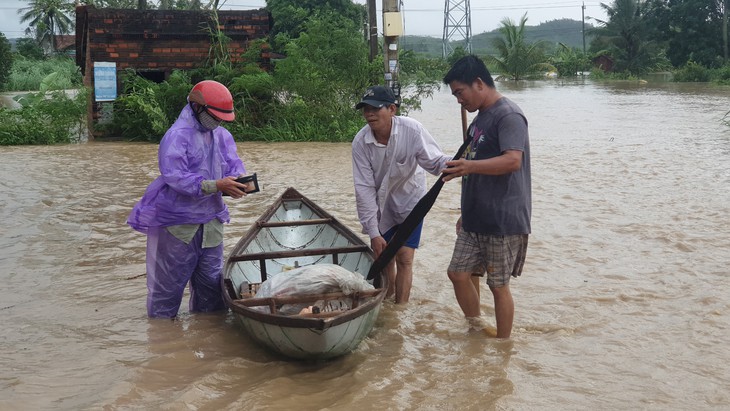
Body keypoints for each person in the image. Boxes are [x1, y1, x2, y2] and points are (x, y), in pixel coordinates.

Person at [127, 80, 255, 318]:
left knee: (212, 288)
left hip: (211, 222)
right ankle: (163, 340)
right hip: (178, 224)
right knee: (167, 290)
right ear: (197, 107)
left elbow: (234, 164)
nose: (217, 122)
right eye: (214, 116)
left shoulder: (222, 135)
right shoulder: (176, 136)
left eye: (221, 118)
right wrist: (216, 185)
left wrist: (238, 182)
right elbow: (176, 177)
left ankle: (208, 339)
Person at [441, 55, 531, 338]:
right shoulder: (478, 121)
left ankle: (504, 346)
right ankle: (476, 329)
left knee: (498, 286)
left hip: (503, 219)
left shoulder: (509, 116)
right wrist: (464, 212)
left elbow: (512, 161)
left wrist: (468, 165)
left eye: (460, 92)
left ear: (478, 83)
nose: (459, 100)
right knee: (458, 273)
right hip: (474, 218)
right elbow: (471, 171)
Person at [351, 85, 451, 303]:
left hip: (411, 203)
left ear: (392, 109)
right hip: (381, 206)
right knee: (385, 258)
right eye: (365, 109)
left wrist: (458, 163)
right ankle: (387, 301)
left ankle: (400, 310)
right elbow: (364, 189)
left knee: (405, 258)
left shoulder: (412, 130)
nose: (369, 114)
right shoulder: (361, 142)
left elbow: (434, 162)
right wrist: (373, 233)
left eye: (375, 109)